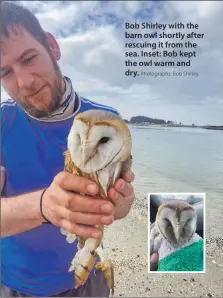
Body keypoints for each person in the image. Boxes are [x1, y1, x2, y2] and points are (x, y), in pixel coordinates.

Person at [0, 2, 135, 297]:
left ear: (52, 46)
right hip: (16, 286)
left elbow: (118, 206)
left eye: (29, 58)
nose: (24, 82)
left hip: (88, 280)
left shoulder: (107, 121)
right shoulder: (2, 123)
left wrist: (121, 203)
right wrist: (43, 206)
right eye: (6, 72)